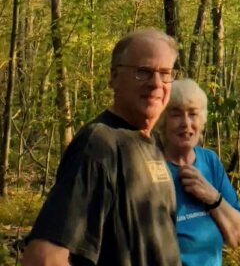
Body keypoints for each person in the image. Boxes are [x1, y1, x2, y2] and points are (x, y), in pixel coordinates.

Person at [23, 28, 182, 266]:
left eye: (165, 73)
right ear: (114, 77)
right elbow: (43, 258)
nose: (156, 83)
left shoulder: (154, 143)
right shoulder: (98, 145)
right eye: (143, 72)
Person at [161, 79, 240, 266]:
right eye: (176, 114)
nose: (186, 123)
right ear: (163, 121)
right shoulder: (152, 167)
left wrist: (212, 197)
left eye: (193, 114)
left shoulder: (210, 161)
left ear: (202, 121)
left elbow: (238, 236)